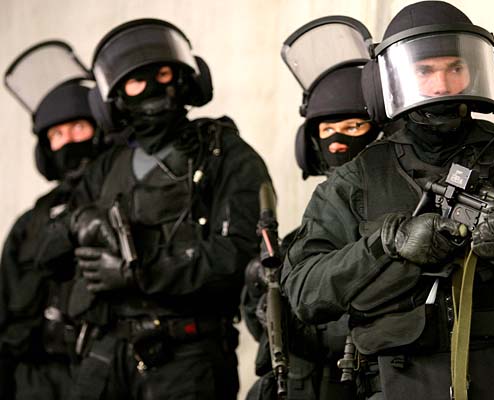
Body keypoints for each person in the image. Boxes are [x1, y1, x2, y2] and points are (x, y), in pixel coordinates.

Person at [281, 2, 494, 399]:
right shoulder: (356, 177)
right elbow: (304, 292)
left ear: (479, 70)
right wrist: (387, 245)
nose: (442, 85)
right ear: (387, 81)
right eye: (424, 71)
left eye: (455, 68)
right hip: (397, 383)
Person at [59, 18, 271, 400]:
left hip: (187, 358)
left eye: (162, 74)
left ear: (186, 78)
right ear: (115, 97)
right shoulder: (106, 166)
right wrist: (80, 222)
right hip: (107, 354)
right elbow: (48, 246)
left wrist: (139, 272)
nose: (154, 89)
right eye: (137, 81)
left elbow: (238, 255)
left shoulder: (224, 155)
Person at [243, 16, 380, 400]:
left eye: (353, 127)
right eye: (327, 130)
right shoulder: (306, 232)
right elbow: (264, 335)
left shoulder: (393, 220)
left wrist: (301, 323)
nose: (337, 141)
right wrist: (258, 291)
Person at [1, 41, 106, 400]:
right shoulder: (31, 223)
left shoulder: (122, 199)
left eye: (78, 127)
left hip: (100, 374)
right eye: (56, 135)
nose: (68, 141)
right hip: (34, 380)